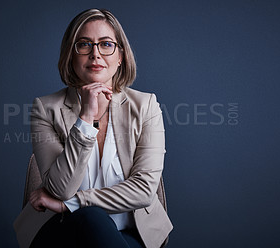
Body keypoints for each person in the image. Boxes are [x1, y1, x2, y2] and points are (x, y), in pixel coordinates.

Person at [14, 8, 173, 248]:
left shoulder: (146, 106)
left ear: (120, 57)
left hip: (128, 233)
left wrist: (74, 203)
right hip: (62, 230)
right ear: (71, 55)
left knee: (97, 223)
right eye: (84, 45)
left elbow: (143, 191)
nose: (95, 54)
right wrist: (85, 119)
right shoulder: (45, 108)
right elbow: (60, 188)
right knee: (92, 218)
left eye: (106, 44)